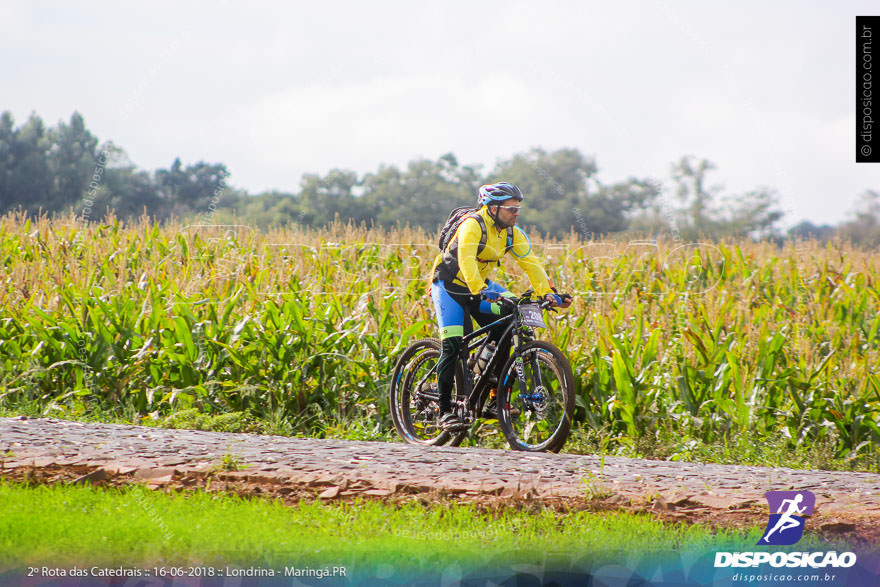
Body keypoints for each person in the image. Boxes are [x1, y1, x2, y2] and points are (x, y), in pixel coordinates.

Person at [428, 182, 572, 430]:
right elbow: (466, 259)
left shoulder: (512, 233)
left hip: (480, 286)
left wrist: (548, 294)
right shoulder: (472, 225)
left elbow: (532, 265)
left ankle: (495, 398)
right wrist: (480, 290)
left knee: (511, 316)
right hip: (450, 286)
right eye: (511, 209)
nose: (516, 213)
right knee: (452, 344)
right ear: (492, 208)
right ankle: (444, 410)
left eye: (518, 209)